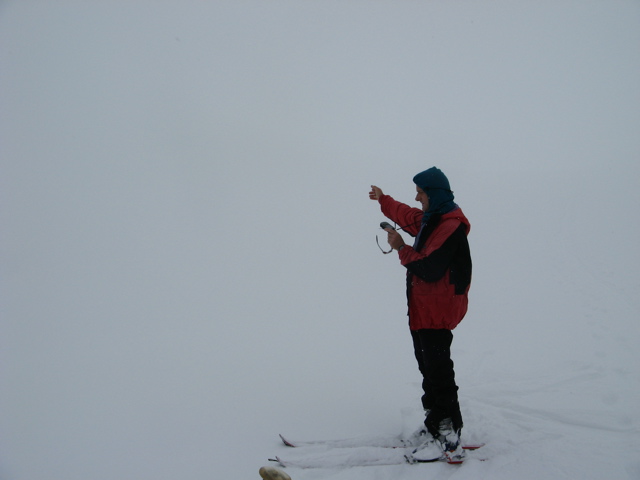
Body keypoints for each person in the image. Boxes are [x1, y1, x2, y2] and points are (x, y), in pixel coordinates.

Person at [369, 166, 472, 463]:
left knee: (438, 373)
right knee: (428, 370)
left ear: (434, 194)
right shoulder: (433, 218)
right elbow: (409, 217)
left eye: (421, 193)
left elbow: (428, 268)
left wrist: (401, 247)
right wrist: (383, 200)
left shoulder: (449, 225)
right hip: (423, 309)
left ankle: (449, 434)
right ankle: (435, 424)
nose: (417, 197)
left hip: (438, 311)